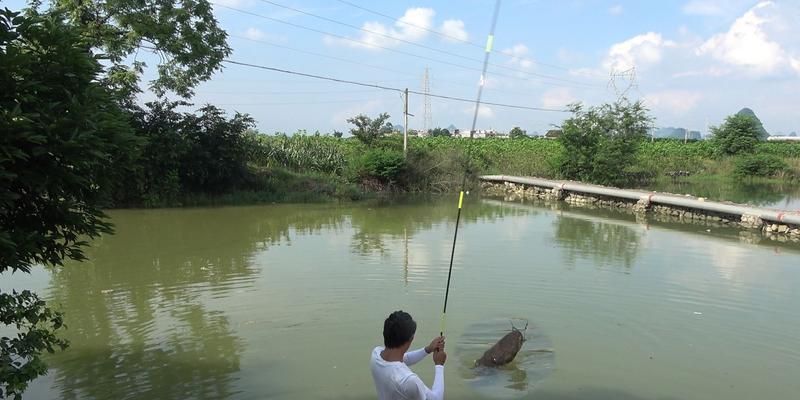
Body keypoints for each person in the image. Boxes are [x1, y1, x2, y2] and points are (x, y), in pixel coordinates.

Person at [370, 311, 447, 400]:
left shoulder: (376, 354)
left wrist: (428, 349)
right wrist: (439, 365)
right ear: (411, 338)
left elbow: (404, 359)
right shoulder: (408, 380)